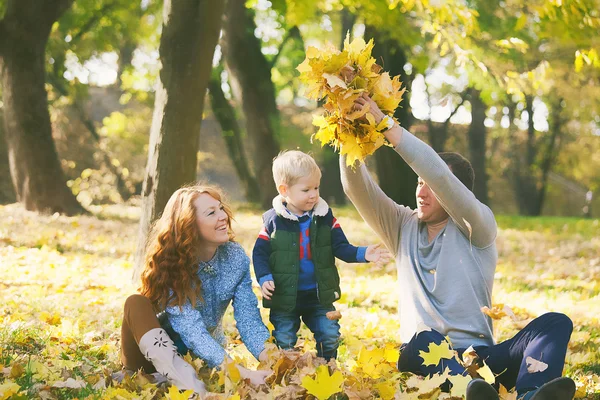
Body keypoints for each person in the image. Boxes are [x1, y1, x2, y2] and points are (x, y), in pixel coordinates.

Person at [340, 93, 575, 400]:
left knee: (556, 323)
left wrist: (387, 125)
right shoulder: (401, 226)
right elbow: (356, 188)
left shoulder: (477, 226)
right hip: (424, 356)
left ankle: (530, 395)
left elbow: (439, 175)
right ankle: (472, 392)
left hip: (481, 360)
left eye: (430, 186)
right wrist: (348, 129)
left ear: (455, 194)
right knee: (424, 339)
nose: (422, 192)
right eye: (418, 183)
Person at [120, 185, 272, 395]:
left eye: (221, 209)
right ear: (188, 225)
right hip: (148, 361)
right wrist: (242, 373)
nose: (223, 217)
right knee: (135, 302)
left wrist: (272, 358)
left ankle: (182, 384)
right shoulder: (172, 265)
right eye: (211, 213)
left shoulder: (235, 258)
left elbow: (248, 320)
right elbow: (192, 331)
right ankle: (190, 388)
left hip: (201, 360)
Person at [252, 150, 391, 361]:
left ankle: (327, 368)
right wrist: (264, 278)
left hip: (318, 295)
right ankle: (287, 375)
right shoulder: (273, 221)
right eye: (306, 189)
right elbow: (259, 253)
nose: (313, 194)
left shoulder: (324, 217)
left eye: (316, 187)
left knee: (329, 334)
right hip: (284, 296)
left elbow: (341, 247)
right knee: (284, 338)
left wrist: (363, 253)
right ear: (284, 190)